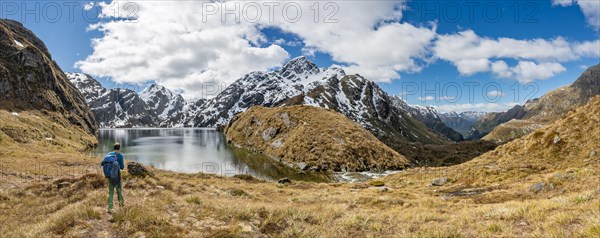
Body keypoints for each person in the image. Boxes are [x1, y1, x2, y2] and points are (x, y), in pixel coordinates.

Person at [102, 143, 125, 213]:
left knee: (111, 191)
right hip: (117, 176)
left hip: (109, 176)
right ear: (119, 148)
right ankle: (121, 206)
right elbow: (122, 167)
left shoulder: (109, 154)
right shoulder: (120, 155)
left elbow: (102, 163)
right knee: (119, 190)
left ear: (114, 147)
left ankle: (110, 208)